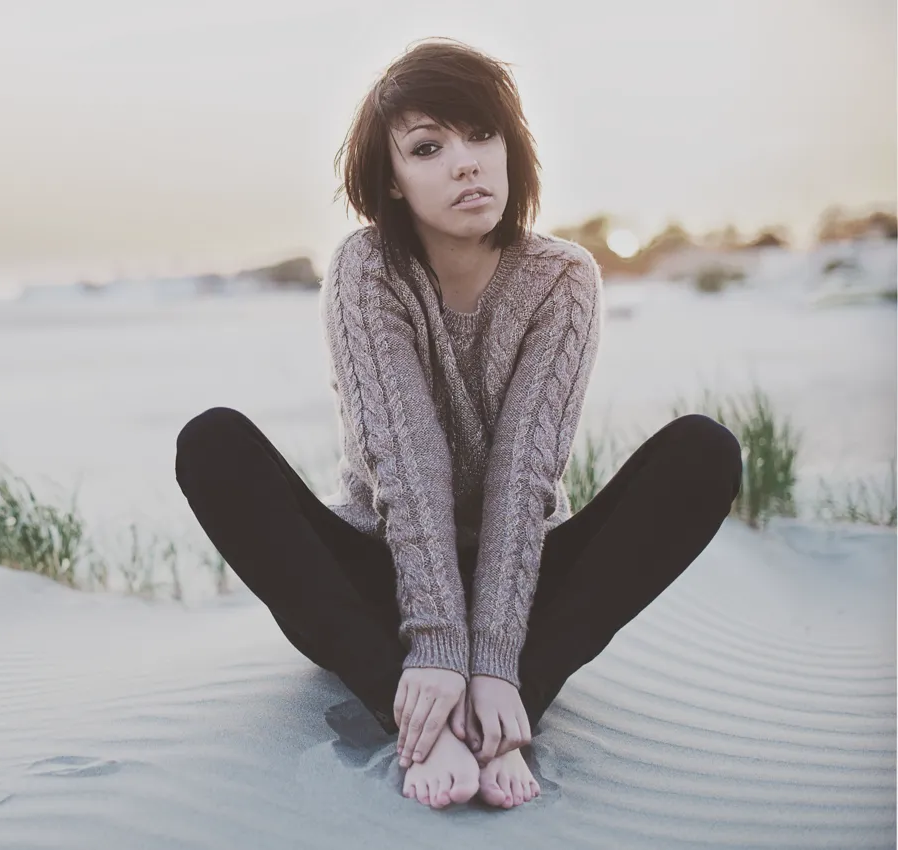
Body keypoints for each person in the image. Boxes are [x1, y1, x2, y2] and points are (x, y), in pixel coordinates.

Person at [173, 38, 742, 812]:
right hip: (383, 584)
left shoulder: (562, 279)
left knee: (703, 453)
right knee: (214, 444)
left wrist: (500, 658)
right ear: (395, 182)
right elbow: (406, 463)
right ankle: (407, 705)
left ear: (513, 148)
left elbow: (524, 474)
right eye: (429, 147)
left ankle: (512, 707)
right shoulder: (367, 268)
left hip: (524, 584)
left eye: (482, 136)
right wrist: (438, 645)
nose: (466, 162)